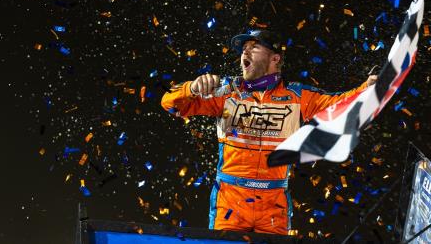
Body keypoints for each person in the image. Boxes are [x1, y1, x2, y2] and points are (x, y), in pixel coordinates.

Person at [161, 30, 377, 235]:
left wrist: (367, 88)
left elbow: (342, 105)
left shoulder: (297, 96)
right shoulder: (225, 91)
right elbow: (170, 104)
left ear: (275, 58)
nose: (244, 52)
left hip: (274, 205)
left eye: (253, 47)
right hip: (230, 201)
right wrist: (191, 87)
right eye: (244, 48)